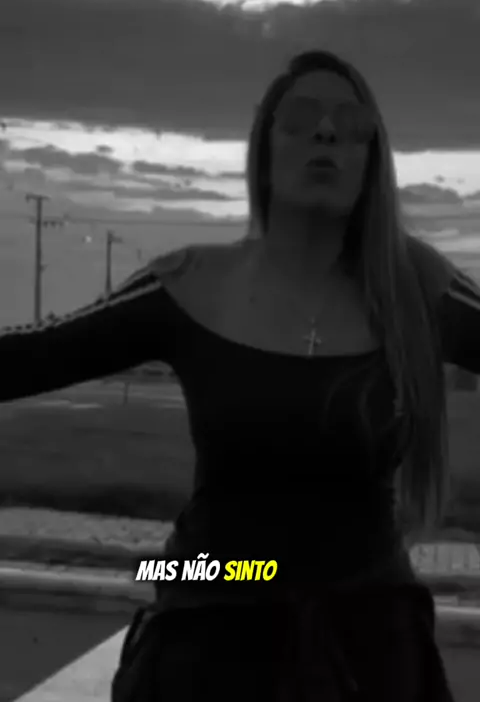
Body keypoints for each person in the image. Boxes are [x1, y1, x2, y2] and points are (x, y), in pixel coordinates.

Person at [2, 49, 475, 700]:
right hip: (209, 623)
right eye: (301, 118)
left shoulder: (417, 286)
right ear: (263, 148)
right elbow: (32, 355)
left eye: (351, 124)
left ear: (372, 159)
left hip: (372, 634)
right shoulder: (191, 281)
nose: (326, 133)